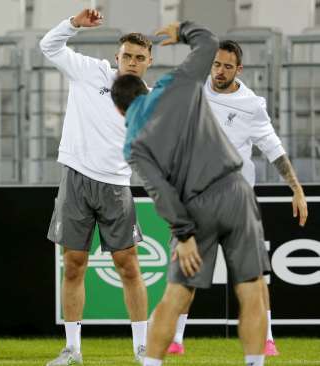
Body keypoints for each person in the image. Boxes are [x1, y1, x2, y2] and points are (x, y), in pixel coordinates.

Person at [111, 21, 268, 366]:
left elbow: (162, 193)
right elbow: (210, 42)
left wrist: (183, 235)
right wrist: (183, 30)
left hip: (194, 210)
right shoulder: (176, 83)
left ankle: (152, 363)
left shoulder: (133, 143)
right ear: (145, 91)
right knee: (251, 290)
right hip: (235, 192)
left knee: (176, 295)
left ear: (121, 110)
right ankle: (255, 362)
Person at [167, 39, 308, 357]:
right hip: (196, 201)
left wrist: (297, 190)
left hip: (237, 204)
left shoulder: (252, 105)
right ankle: (176, 339)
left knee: (255, 276)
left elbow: (274, 150)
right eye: (215, 64)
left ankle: (267, 338)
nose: (219, 70)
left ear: (238, 69)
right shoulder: (194, 92)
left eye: (227, 66)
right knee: (185, 272)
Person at [39, 8, 152, 365]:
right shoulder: (91, 72)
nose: (132, 62)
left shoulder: (149, 101)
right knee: (73, 264)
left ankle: (142, 349)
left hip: (116, 187)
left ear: (149, 62)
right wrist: (73, 24)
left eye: (139, 58)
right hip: (75, 178)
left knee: (129, 266)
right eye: (127, 56)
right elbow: (48, 46)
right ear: (116, 57)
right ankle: (72, 348)